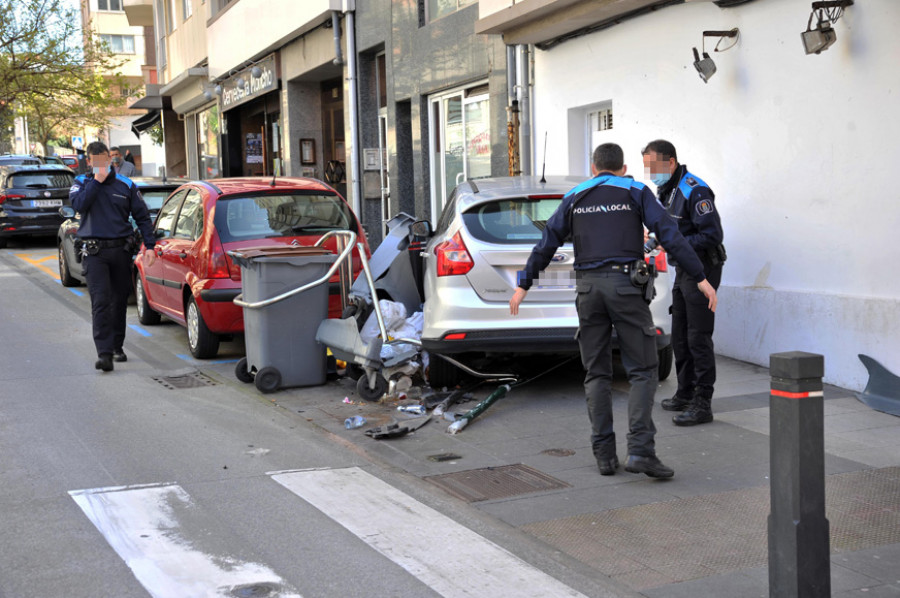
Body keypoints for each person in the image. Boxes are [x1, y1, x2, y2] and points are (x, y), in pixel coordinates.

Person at [509, 143, 717, 479]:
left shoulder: (575, 196)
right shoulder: (636, 190)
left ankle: (604, 456)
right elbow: (671, 235)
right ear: (622, 168)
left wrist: (523, 284)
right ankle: (640, 451)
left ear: (593, 168)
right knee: (643, 370)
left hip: (588, 290)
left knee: (597, 374)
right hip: (625, 288)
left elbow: (546, 242)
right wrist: (701, 277)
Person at [642, 140, 726, 426]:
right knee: (679, 333)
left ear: (672, 163)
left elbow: (712, 235)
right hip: (684, 270)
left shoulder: (694, 189)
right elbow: (669, 227)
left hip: (704, 269)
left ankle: (703, 402)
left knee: (697, 336)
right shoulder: (667, 190)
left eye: (654, 166)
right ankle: (685, 392)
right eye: (648, 167)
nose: (651, 173)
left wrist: (674, 245)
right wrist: (652, 242)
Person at [69, 141, 156, 372]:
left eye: (104, 158)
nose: (101, 163)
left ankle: (117, 346)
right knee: (100, 301)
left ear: (110, 158)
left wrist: (150, 246)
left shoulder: (126, 184)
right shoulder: (81, 183)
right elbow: (78, 205)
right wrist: (96, 182)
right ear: (89, 162)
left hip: (120, 250)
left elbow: (143, 217)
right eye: (95, 159)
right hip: (94, 252)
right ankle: (104, 353)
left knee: (118, 301)